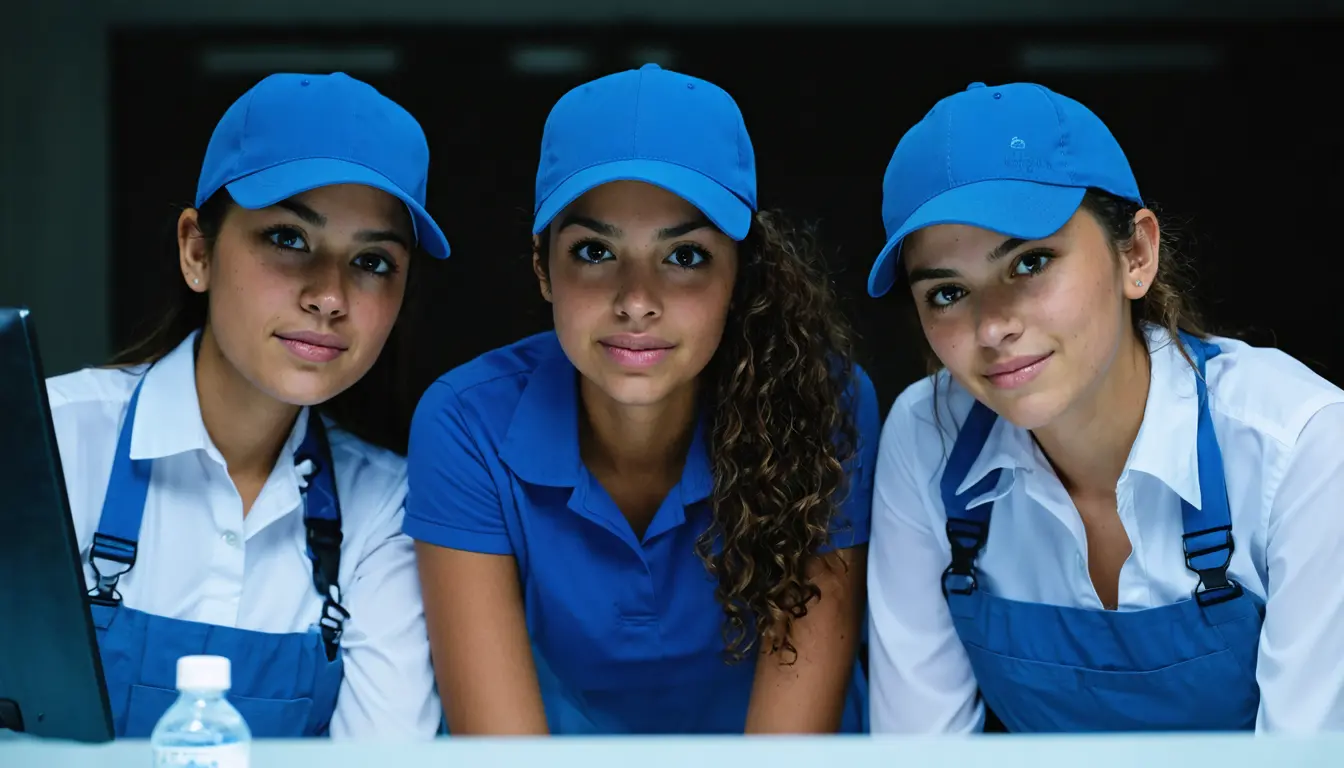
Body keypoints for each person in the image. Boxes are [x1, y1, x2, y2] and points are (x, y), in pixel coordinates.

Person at [404, 63, 877, 735]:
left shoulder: (821, 401)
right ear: (543, 268)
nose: (635, 302)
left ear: (741, 275)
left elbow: (786, 750)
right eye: (595, 252)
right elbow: (504, 752)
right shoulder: (466, 422)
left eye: (684, 257)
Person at [864, 80, 1344, 734]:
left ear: (1136, 255)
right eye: (947, 294)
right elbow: (922, 749)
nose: (992, 327)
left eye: (1030, 262)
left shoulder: (1301, 444)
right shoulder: (928, 437)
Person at [45, 72, 449, 739]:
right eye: (289, 239)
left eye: (373, 261)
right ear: (197, 251)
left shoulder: (385, 512)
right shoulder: (52, 445)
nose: (329, 295)